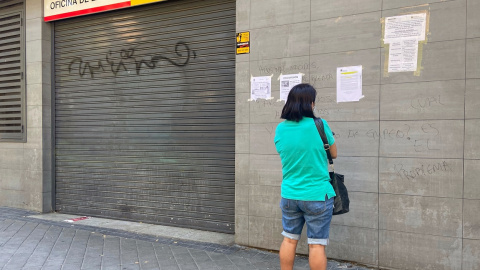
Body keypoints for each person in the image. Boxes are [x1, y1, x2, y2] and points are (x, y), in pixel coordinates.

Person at [274, 83, 337, 270]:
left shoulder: (280, 129)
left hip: (290, 194)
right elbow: (333, 153)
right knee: (316, 244)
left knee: (289, 239)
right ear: (310, 103)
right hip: (318, 195)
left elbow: (284, 151)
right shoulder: (320, 125)